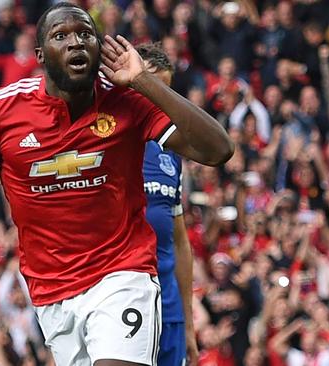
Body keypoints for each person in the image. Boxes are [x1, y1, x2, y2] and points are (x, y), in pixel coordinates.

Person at [0, 3, 233, 366]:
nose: (75, 42)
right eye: (60, 36)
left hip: (122, 275)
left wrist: (143, 80)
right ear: (40, 55)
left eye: (85, 34)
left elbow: (218, 150)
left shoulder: (127, 101)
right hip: (52, 292)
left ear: (99, 49)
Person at [137, 42, 199, 366]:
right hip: (124, 300)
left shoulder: (169, 151)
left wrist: (189, 324)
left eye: (165, 92)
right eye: (149, 87)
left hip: (169, 307)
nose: (157, 100)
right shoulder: (105, 138)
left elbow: (180, 241)